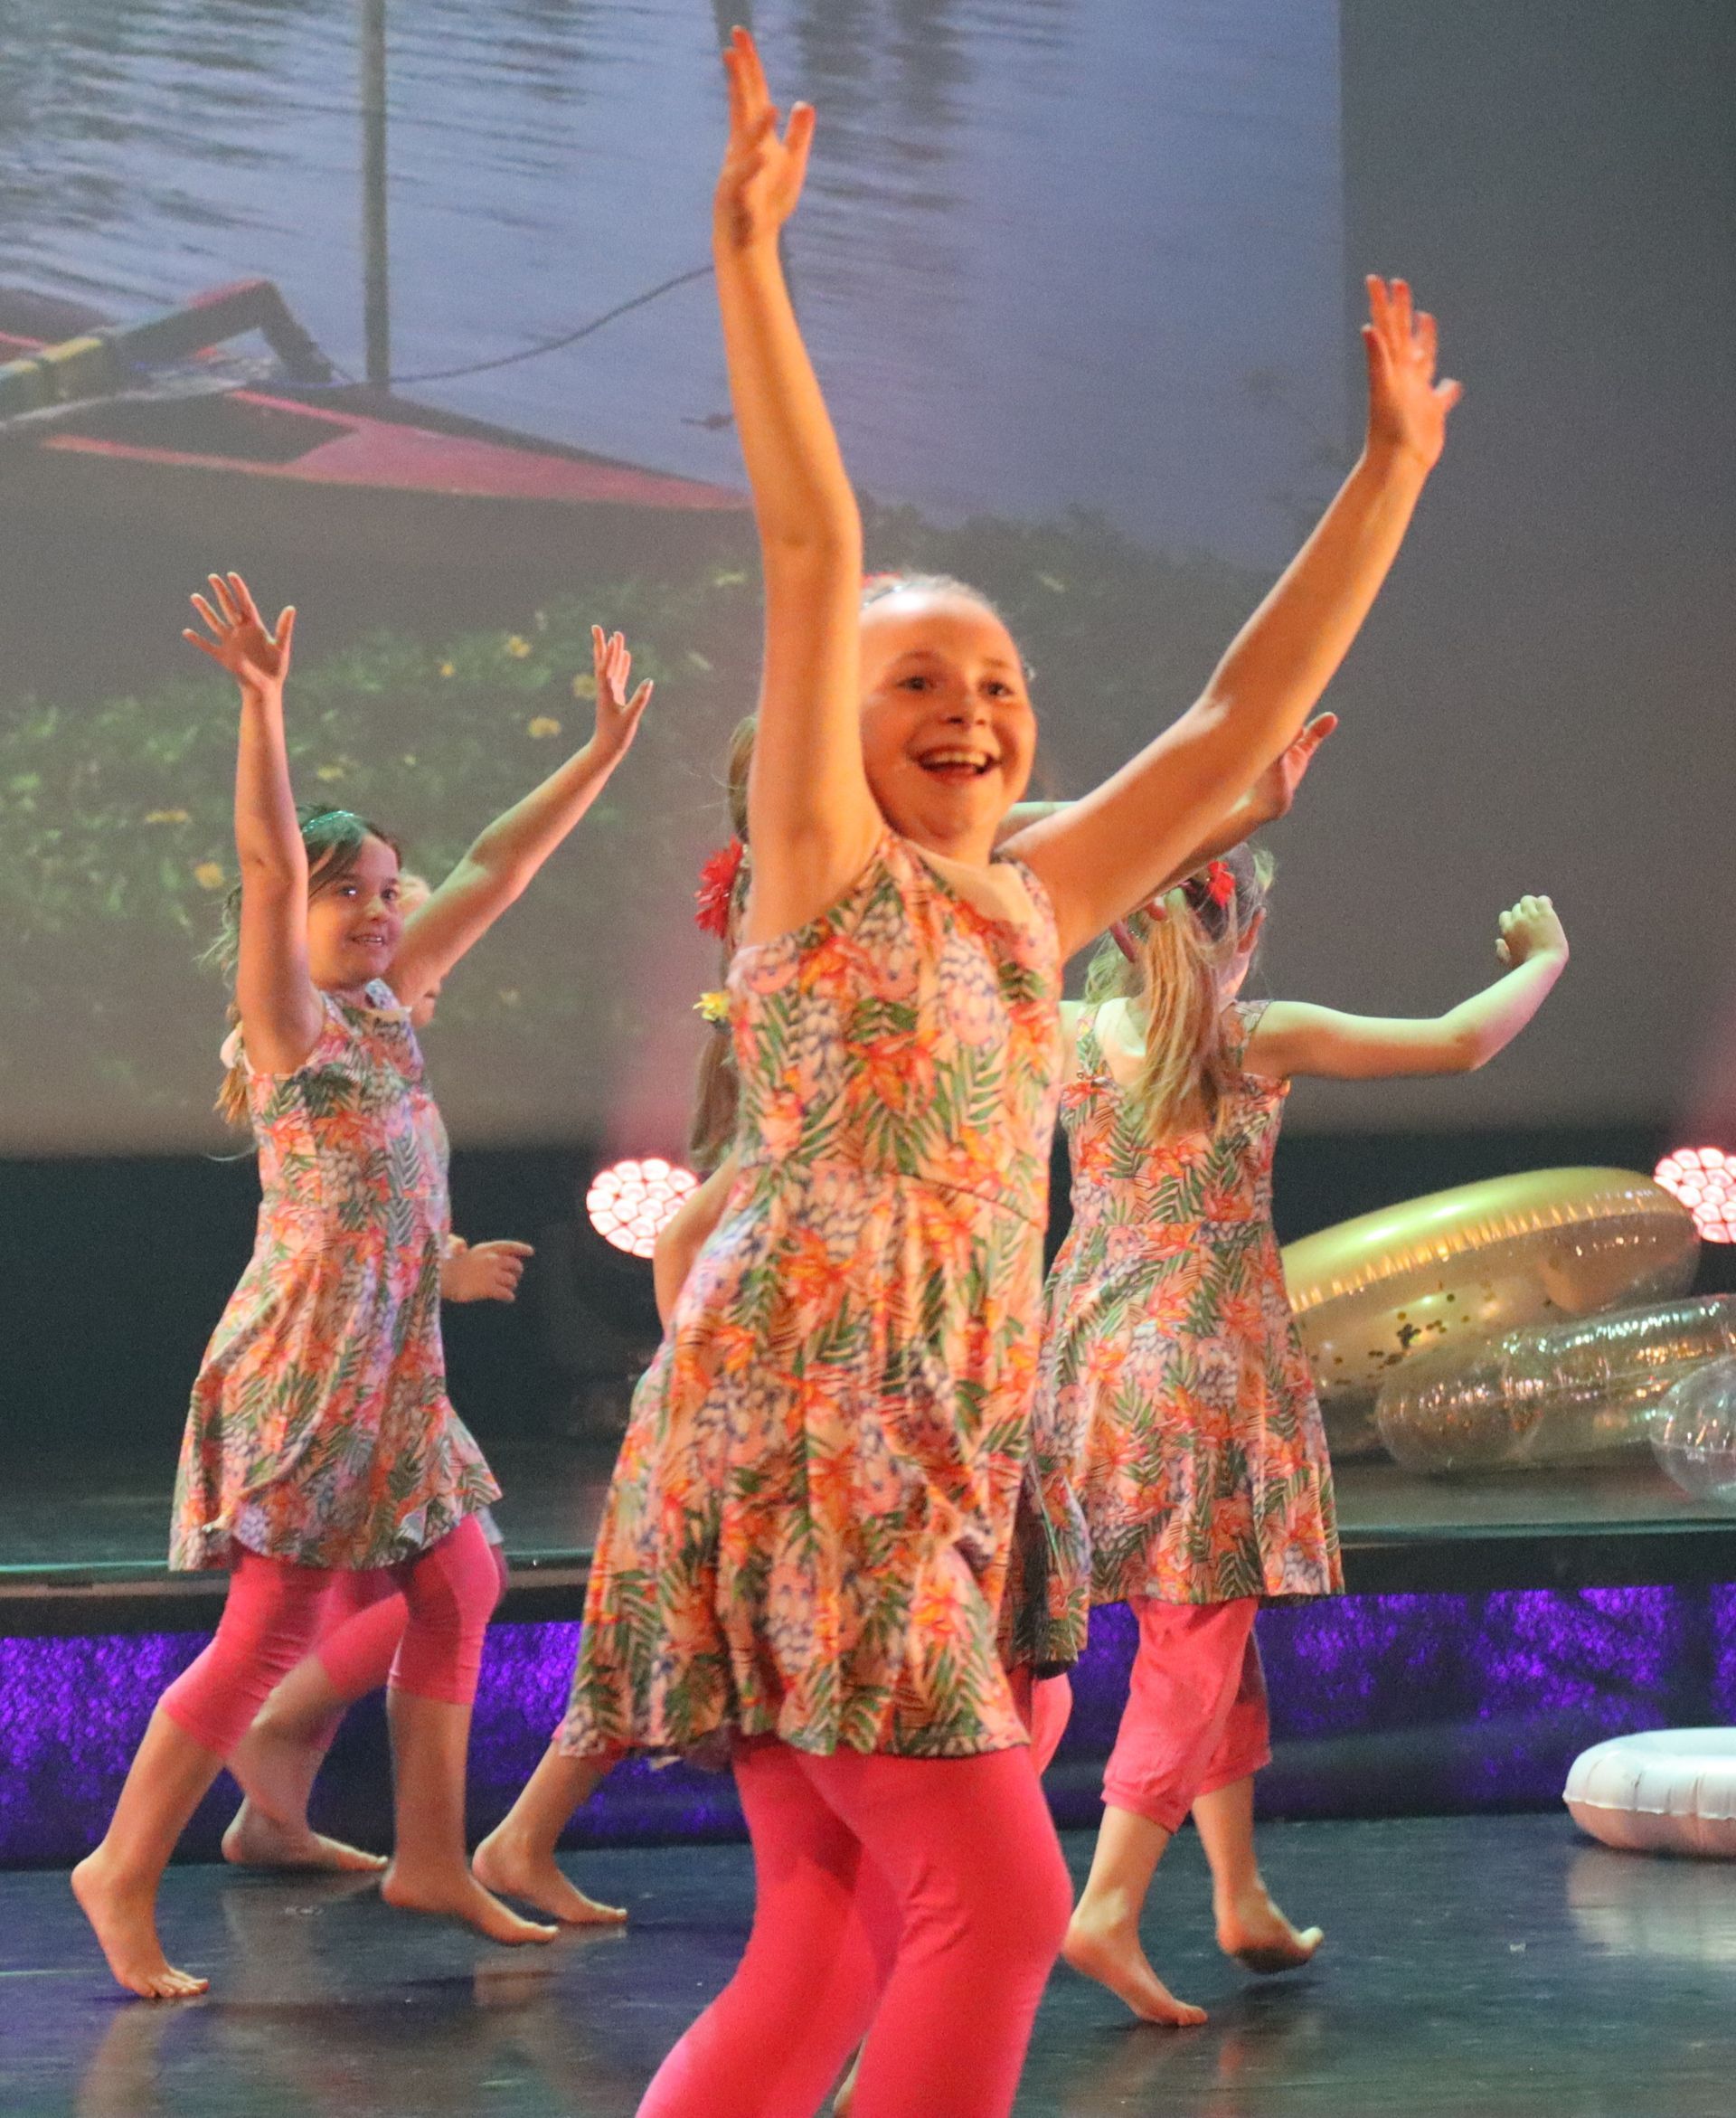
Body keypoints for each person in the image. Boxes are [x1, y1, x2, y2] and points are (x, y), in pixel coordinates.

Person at [561, 30, 1459, 2114]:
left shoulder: (1036, 908)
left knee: (836, 1926)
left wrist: (1392, 475)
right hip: (821, 1434)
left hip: (958, 1435)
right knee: (987, 1886)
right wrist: (748, 266)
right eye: (916, 681)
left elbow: (1231, 727)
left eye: (998, 679)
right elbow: (812, 548)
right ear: (836, 728)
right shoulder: (822, 870)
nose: (968, 706)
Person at [72, 578, 650, 1997]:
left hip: (394, 1368)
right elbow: (268, 864)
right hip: (310, 1368)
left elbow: (498, 866)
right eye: (352, 892)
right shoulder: (292, 1023)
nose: (380, 912)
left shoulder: (390, 1007)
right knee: (268, 1629)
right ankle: (121, 1867)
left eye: (389, 890)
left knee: (461, 1575)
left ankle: (432, 1854)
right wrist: (262, 705)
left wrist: (597, 755)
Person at [1052, 851, 1569, 2025]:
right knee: (1194, 1639)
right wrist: (1545, 957)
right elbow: (1458, 1041)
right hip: (1200, 1361)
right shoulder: (1254, 1033)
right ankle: (1109, 1906)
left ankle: (1240, 1895)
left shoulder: (1072, 1030)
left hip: (1090, 1353)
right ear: (1247, 929)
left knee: (1208, 1623)